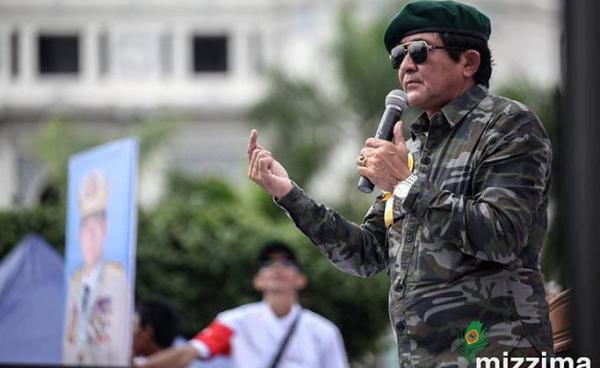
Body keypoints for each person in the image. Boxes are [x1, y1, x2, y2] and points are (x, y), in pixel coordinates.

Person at [247, 1, 553, 365]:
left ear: (468, 62)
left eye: (420, 52)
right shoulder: (413, 148)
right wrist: (289, 194)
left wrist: (404, 184)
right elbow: (366, 254)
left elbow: (502, 236)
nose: (406, 65)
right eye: (399, 55)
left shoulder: (507, 125)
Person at [136, 241, 349, 368]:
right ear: (257, 280)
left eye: (286, 263)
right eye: (267, 264)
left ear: (301, 279)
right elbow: (189, 352)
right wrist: (139, 366)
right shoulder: (234, 322)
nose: (277, 268)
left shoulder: (324, 332)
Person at [63, 170, 129, 365]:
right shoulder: (75, 281)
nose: (90, 237)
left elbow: (115, 337)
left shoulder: (115, 279)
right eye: (85, 229)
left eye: (96, 228)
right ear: (79, 235)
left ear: (105, 230)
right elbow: (70, 335)